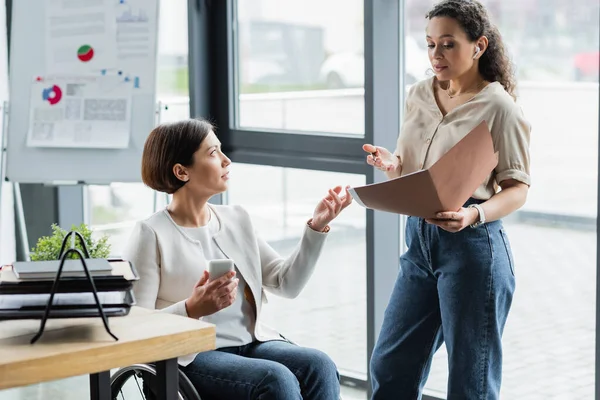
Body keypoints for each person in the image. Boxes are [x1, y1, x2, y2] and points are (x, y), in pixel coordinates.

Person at [364, 1, 531, 399]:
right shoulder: (419, 94)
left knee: (470, 382)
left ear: (479, 46)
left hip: (474, 249)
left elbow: (518, 188)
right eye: (430, 44)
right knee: (390, 367)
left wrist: (473, 214)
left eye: (448, 44)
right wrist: (393, 165)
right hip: (419, 242)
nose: (436, 55)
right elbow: (416, 165)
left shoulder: (499, 107)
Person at [123, 118, 352, 400]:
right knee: (275, 380)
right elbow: (135, 327)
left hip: (250, 342)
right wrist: (192, 308)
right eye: (212, 153)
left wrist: (316, 227)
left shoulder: (236, 219)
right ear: (182, 171)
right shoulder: (151, 233)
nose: (226, 160)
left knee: (320, 365)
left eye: (220, 150)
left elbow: (286, 284)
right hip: (190, 356)